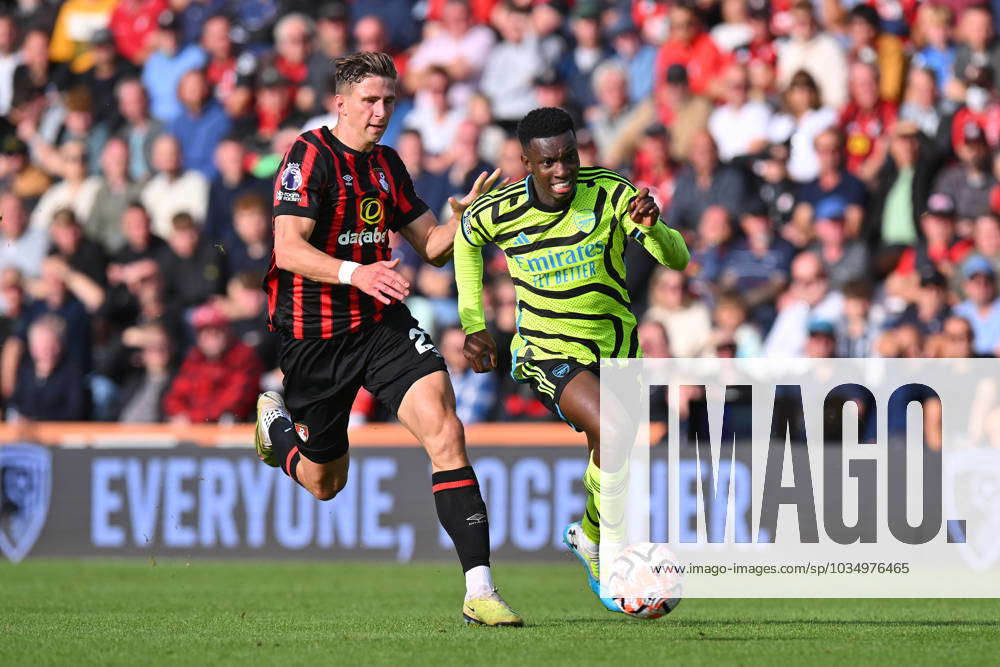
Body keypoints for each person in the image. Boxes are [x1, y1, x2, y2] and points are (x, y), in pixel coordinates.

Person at [253, 52, 522, 627]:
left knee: (446, 429)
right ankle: (280, 434)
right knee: (326, 483)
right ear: (341, 102)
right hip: (314, 337)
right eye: (370, 101)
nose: (381, 112)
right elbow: (288, 249)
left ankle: (480, 589)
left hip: (379, 323)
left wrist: (468, 218)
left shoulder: (388, 166)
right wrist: (357, 271)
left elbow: (431, 245)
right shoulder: (309, 156)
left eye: (389, 101)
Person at [453, 107, 689, 612]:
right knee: (616, 430)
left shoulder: (611, 192)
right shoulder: (499, 211)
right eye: (548, 163)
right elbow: (465, 241)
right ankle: (608, 549)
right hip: (546, 349)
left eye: (569, 158)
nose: (562, 171)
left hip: (618, 347)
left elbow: (678, 259)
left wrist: (654, 229)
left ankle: (588, 536)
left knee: (613, 446)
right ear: (526, 162)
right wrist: (473, 324)